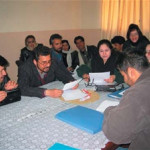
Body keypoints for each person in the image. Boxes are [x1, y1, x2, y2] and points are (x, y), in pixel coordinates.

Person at [102, 51, 150, 150]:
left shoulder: (138, 92)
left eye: (123, 75)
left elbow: (115, 133)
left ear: (131, 72)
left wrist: (108, 110)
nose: (124, 80)